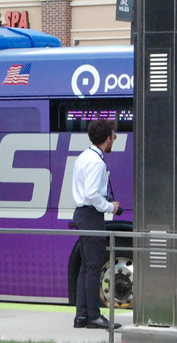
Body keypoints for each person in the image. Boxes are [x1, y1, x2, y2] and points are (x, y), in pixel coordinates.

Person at [71, 119, 122, 330]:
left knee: (85, 268)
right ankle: (94, 316)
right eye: (114, 137)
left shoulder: (84, 157)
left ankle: (81, 315)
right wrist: (110, 207)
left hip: (82, 214)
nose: (114, 142)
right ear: (108, 139)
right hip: (91, 216)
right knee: (93, 268)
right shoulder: (97, 162)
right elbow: (92, 194)